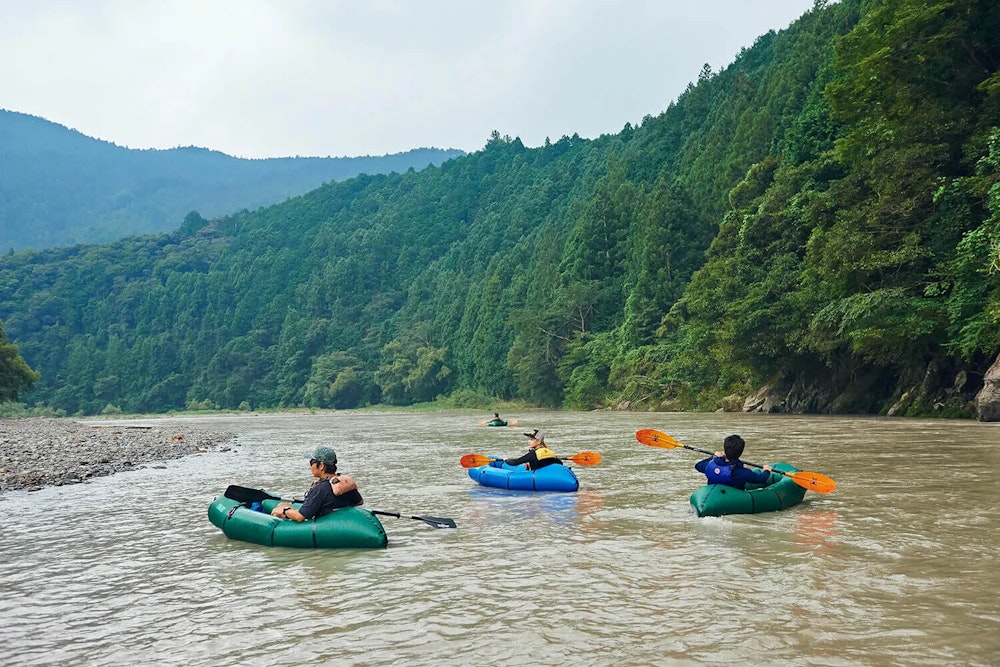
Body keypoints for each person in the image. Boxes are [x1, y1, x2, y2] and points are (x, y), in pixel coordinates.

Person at [271, 446, 363, 522]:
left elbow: (300, 517)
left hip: (322, 525)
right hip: (338, 521)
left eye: (312, 462)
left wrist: (284, 511)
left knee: (279, 508)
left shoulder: (321, 488)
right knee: (281, 504)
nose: (310, 466)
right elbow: (359, 501)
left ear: (321, 466)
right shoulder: (344, 483)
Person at [694, 434, 772, 490]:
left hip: (714, 493)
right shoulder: (742, 472)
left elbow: (698, 466)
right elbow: (761, 479)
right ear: (740, 452)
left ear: (725, 449)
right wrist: (767, 471)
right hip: (733, 498)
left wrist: (713, 457)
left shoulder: (710, 464)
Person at [494, 429, 563, 470]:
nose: (528, 441)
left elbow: (514, 463)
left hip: (538, 477)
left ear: (539, 441)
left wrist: (506, 460)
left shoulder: (533, 454)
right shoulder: (550, 452)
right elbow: (560, 463)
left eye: (531, 439)